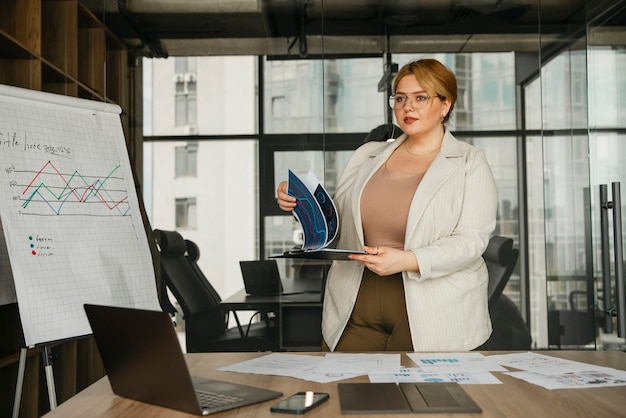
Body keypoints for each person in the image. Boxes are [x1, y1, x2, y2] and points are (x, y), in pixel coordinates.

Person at [276, 58, 497, 352]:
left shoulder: (470, 162)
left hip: (435, 311)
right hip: (355, 301)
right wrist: (300, 203)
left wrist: (407, 259)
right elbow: (339, 222)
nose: (408, 107)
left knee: (419, 398)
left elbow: (472, 241)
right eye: (401, 98)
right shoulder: (367, 154)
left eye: (421, 98)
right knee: (347, 392)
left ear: (445, 105)